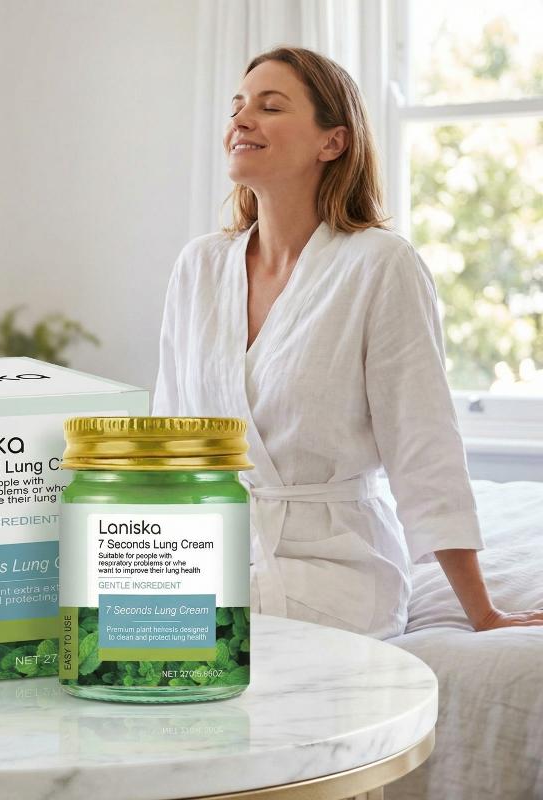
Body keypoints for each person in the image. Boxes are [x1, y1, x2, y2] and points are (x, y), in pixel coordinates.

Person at [152, 46, 543, 639]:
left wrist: (482, 612)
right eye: (237, 107)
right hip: (210, 552)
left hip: (336, 565)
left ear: (332, 142)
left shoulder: (380, 264)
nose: (241, 120)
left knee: (177, 643)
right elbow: (169, 437)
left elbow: (423, 447)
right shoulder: (199, 266)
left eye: (270, 107)